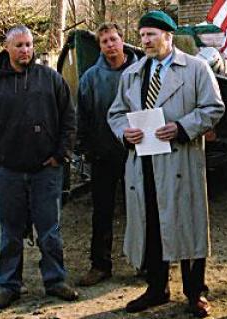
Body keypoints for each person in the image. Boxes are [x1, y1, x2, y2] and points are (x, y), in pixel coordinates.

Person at [107, 11, 224, 318]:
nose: (145, 40)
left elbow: (214, 107)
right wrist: (124, 133)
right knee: (152, 225)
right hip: (143, 161)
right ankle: (156, 288)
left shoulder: (196, 69)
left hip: (180, 160)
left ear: (168, 36)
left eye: (152, 35)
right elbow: (116, 113)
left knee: (187, 224)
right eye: (143, 35)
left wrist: (182, 128)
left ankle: (195, 292)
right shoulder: (133, 73)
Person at [0, 25, 78, 309]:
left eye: (29, 45)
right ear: (7, 48)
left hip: (47, 171)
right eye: (19, 45)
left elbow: (69, 120)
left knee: (50, 231)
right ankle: (9, 285)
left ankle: (55, 280)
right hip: (7, 173)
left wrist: (60, 155)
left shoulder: (51, 80)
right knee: (10, 232)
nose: (25, 50)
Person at [77, 22, 137, 286]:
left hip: (137, 153)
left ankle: (147, 263)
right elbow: (84, 116)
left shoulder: (141, 71)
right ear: (100, 46)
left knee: (141, 210)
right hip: (103, 155)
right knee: (102, 212)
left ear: (123, 40)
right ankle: (100, 265)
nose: (110, 45)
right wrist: (87, 149)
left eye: (114, 39)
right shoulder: (90, 77)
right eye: (105, 42)